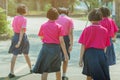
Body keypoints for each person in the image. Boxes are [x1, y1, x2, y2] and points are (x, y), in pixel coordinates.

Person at [32, 8, 68, 80]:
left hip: (46, 48)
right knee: (57, 69)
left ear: (47, 15)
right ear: (57, 16)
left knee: (45, 70)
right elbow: (61, 41)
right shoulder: (59, 27)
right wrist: (65, 54)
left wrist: (46, 40)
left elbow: (41, 37)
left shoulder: (43, 25)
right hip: (56, 49)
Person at [78, 9, 111, 80]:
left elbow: (83, 46)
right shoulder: (105, 30)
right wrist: (103, 56)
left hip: (89, 54)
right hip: (101, 53)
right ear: (100, 18)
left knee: (89, 75)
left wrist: (80, 59)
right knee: (102, 75)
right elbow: (105, 46)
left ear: (90, 18)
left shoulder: (86, 30)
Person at [8, 4, 32, 78]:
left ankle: (11, 72)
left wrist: (15, 38)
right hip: (22, 37)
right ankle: (31, 69)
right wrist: (19, 41)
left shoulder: (15, 18)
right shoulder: (24, 19)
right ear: (24, 11)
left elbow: (13, 27)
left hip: (15, 35)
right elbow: (22, 30)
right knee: (26, 54)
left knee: (14, 55)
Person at [56, 7, 74, 80]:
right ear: (67, 12)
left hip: (56, 39)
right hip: (66, 39)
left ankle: (58, 76)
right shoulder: (69, 19)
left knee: (57, 58)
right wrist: (71, 44)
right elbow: (70, 33)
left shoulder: (56, 18)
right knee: (65, 57)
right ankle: (64, 75)